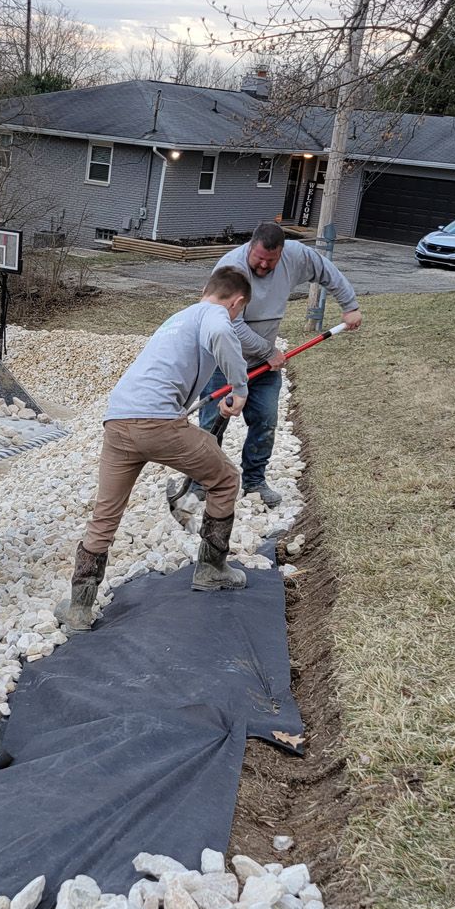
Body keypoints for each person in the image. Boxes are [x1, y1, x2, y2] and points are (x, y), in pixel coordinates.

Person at [57, 265, 255, 634]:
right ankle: (211, 569)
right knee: (226, 479)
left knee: (105, 514)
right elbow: (220, 333)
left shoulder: (178, 318)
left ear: (206, 288)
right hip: (157, 423)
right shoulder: (215, 316)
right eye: (238, 311)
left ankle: (79, 607)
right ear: (237, 301)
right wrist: (239, 389)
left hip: (117, 421)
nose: (234, 318)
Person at [198, 222, 361, 508]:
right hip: (222, 360)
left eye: (270, 260)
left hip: (263, 366)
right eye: (258, 258)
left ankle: (255, 481)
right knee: (212, 423)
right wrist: (269, 351)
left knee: (265, 419)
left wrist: (350, 305)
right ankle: (202, 481)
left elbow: (326, 271)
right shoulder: (231, 269)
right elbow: (230, 325)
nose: (263, 265)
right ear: (250, 246)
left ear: (282, 253)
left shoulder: (296, 256)